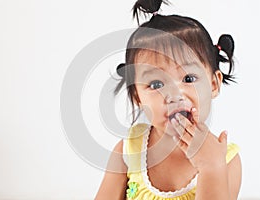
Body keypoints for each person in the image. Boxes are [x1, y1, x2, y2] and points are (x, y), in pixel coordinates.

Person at [95, 0, 242, 199]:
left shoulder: (225, 160)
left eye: (188, 79)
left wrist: (211, 168)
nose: (173, 95)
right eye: (156, 84)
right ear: (137, 95)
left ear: (214, 85)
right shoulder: (128, 152)